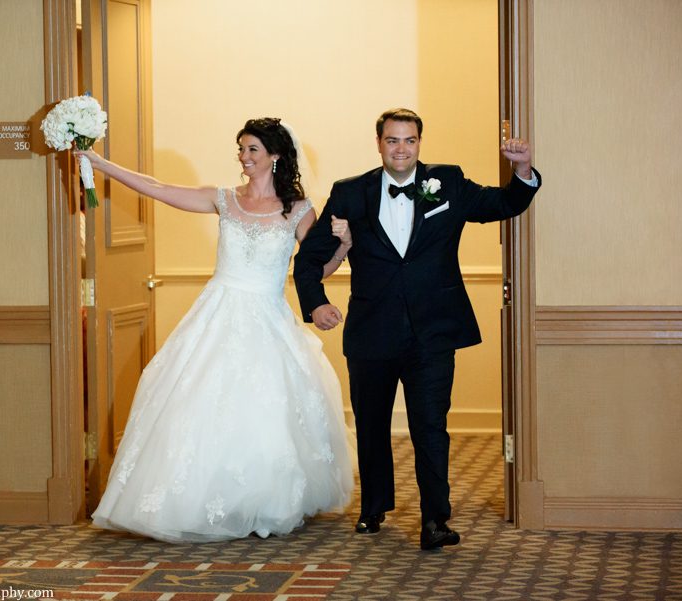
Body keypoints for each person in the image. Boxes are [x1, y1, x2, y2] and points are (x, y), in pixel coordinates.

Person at [77, 117, 354, 543]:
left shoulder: (299, 209)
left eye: (252, 150)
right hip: (217, 312)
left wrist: (345, 246)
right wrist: (100, 164)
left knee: (266, 412)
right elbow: (159, 188)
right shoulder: (224, 199)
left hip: (267, 317)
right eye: (241, 150)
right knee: (198, 406)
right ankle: (196, 502)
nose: (243, 158)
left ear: (275, 156)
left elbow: (317, 268)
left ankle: (261, 501)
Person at [293, 108, 541, 551]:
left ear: (419, 143)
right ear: (379, 143)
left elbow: (503, 204)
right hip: (371, 330)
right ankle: (374, 508)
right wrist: (316, 305)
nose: (401, 149)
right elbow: (309, 259)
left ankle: (435, 520)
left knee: (431, 426)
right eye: (392, 140)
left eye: (409, 141)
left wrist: (521, 170)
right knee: (371, 424)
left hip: (432, 331)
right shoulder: (350, 193)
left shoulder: (447, 182)